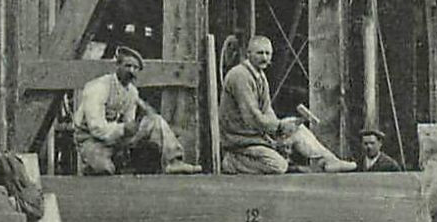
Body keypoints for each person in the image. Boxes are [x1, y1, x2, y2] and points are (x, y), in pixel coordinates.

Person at [217, 35, 356, 174]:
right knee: (278, 166)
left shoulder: (260, 76)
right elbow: (252, 117)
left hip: (256, 137)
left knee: (298, 130)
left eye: (267, 53)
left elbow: (267, 110)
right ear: (248, 54)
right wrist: (279, 127)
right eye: (260, 53)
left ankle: (329, 160)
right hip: (240, 141)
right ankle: (232, 162)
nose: (264, 58)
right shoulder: (240, 76)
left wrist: (282, 125)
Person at [75, 46, 201, 175]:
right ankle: (93, 166)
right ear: (117, 65)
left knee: (155, 121)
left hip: (115, 138)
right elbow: (96, 128)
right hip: (91, 139)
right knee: (103, 169)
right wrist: (123, 129)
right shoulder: (99, 87)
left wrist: (132, 129)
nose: (131, 71)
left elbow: (128, 123)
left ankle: (173, 161)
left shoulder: (132, 92)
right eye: (127, 66)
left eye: (135, 68)